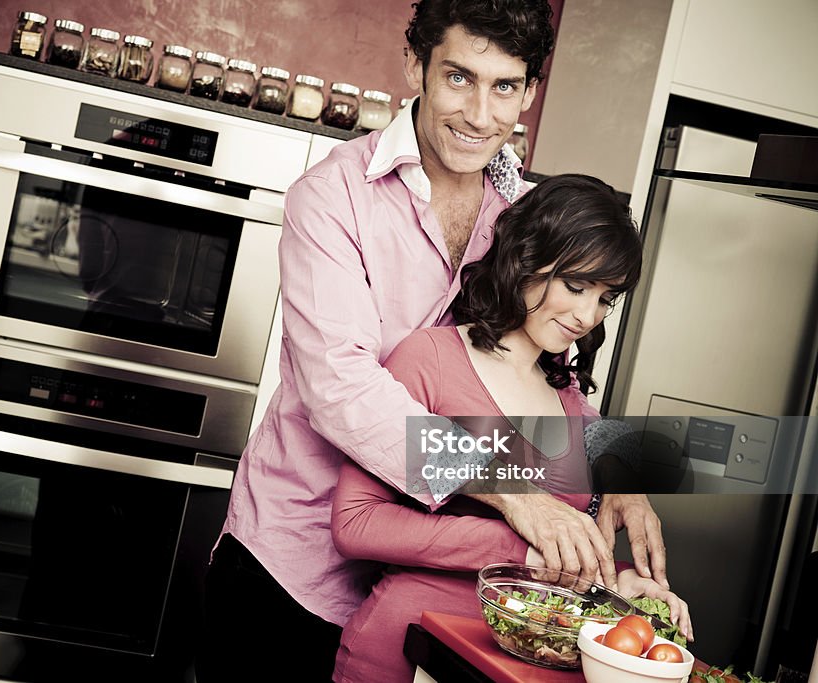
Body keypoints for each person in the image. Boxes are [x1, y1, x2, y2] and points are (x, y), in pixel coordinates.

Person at [197, 2, 667, 680]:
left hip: (426, 587)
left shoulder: (526, 219)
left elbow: (542, 374)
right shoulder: (332, 198)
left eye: (505, 86)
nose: (480, 114)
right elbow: (344, 391)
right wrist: (512, 494)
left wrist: (612, 462)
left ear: (529, 94)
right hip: (292, 567)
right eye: (459, 78)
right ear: (416, 65)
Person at [330, 173, 692, 682]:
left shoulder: (567, 401)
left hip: (512, 667)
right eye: (576, 285)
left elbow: (559, 558)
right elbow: (357, 523)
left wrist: (620, 586)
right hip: (412, 648)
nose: (589, 315)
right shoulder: (429, 359)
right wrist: (518, 548)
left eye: (607, 298)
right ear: (526, 257)